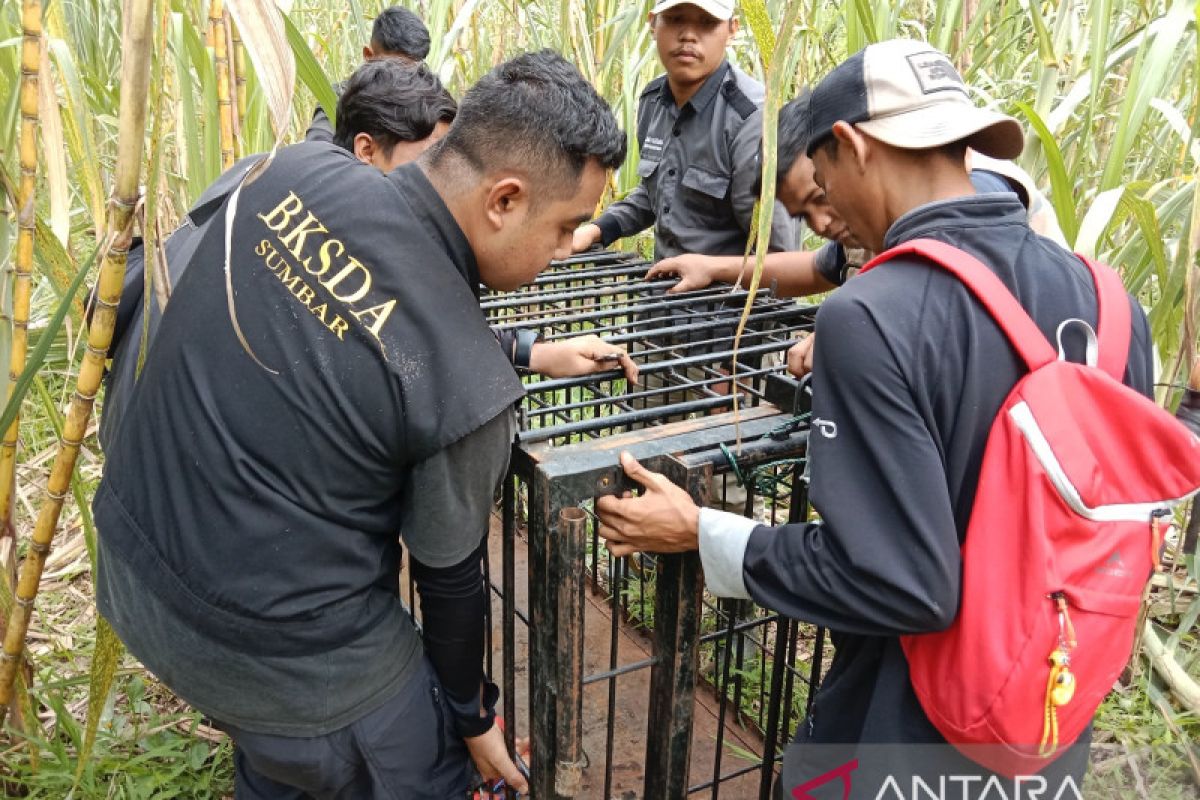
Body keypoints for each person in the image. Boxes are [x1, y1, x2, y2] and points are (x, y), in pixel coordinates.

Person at [594, 38, 1152, 795]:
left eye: (822, 180)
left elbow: (901, 583)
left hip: (915, 727)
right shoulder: (1113, 302)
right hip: (1049, 716)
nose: (829, 215)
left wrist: (703, 532)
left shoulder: (872, 314)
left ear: (852, 146)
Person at [94, 50, 626, 799]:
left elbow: (154, 286)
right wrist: (473, 719)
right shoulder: (469, 385)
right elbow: (449, 584)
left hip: (126, 563)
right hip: (279, 662)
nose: (569, 246)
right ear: (504, 200)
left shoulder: (279, 172)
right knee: (415, 763)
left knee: (285, 753)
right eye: (567, 224)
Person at [100, 58, 634, 450]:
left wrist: (530, 353)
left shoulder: (277, 172)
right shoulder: (336, 217)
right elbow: (391, 339)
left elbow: (383, 332)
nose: (444, 188)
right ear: (365, 149)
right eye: (431, 164)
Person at [647, 91, 1068, 300]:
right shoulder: (874, 226)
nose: (822, 225)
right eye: (803, 217)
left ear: (849, 156)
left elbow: (945, 286)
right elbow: (816, 268)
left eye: (821, 195)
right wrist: (712, 267)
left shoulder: (977, 191)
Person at [570, 0, 797, 258]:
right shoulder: (652, 101)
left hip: (732, 295)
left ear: (732, 29)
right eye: (676, 19)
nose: (688, 35)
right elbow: (658, 192)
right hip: (661, 292)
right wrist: (597, 230)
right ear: (653, 24)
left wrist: (711, 272)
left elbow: (780, 253)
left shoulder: (755, 119)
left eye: (707, 22)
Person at [305, 5, 433, 144]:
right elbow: (318, 147)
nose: (403, 81)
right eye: (394, 70)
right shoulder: (338, 98)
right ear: (369, 55)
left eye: (411, 72)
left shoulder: (425, 103)